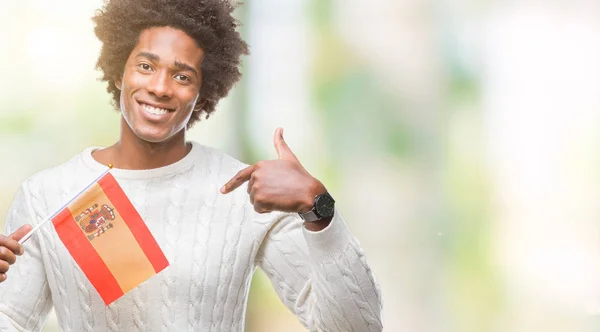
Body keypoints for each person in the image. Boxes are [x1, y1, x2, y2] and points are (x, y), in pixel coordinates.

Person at [0, 0, 383, 331]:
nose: (161, 87)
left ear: (202, 95)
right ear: (119, 70)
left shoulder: (244, 195)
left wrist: (318, 208)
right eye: (146, 66)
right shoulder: (50, 194)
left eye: (182, 76)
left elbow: (357, 327)